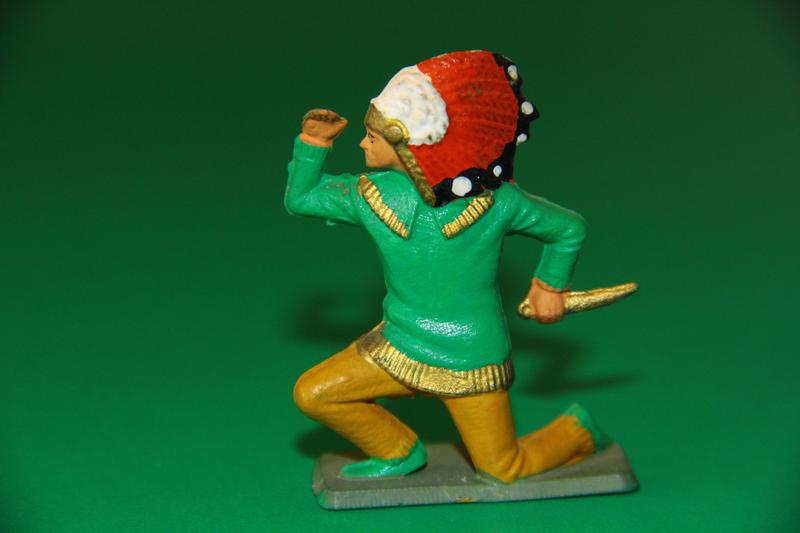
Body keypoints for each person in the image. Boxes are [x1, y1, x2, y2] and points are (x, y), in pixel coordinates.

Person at [285, 51, 609, 483]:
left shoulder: (496, 202)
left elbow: (568, 229)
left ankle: (576, 432)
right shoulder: (370, 195)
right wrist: (314, 143)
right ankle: (398, 450)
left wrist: (549, 286)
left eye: (372, 137)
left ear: (410, 148)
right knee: (314, 394)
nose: (362, 144)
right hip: (398, 343)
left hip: (471, 356)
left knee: (502, 469)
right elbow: (302, 199)